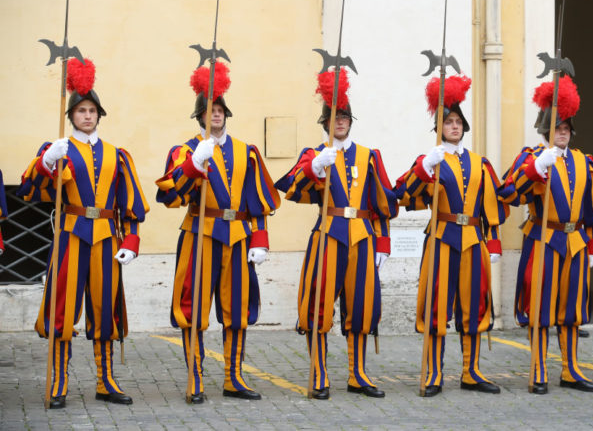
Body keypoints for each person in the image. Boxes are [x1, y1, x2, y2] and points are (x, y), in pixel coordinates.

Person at [19, 58, 149, 408]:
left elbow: (132, 203)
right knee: (63, 307)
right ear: (72, 115)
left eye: (92, 110)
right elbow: (32, 190)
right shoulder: (57, 150)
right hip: (71, 234)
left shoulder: (117, 155)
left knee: (105, 308)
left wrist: (132, 242)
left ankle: (105, 380)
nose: (87, 116)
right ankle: (59, 382)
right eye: (81, 111)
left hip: (107, 238)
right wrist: (48, 161)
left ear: (98, 115)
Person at [156, 61, 281, 403]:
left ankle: (233, 377)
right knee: (193, 308)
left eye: (220, 108)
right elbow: (170, 195)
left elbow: (259, 200)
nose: (216, 114)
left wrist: (260, 240)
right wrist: (193, 164)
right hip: (199, 232)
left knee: (237, 309)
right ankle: (195, 378)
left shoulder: (246, 151)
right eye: (209, 109)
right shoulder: (184, 150)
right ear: (200, 115)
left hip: (238, 236)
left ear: (226, 113)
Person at [275, 67, 397, 399]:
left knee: (360, 307)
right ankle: (319, 374)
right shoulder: (314, 155)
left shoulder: (369, 156)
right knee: (318, 305)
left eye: (344, 116)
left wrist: (382, 241)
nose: (339, 121)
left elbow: (382, 202)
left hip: (362, 235)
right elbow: (292, 189)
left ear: (350, 121)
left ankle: (357, 374)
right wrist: (315, 168)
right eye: (334, 116)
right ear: (325, 122)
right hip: (328, 233)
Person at [395, 74, 509, 397]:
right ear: (439, 128)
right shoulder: (429, 161)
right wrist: (423, 168)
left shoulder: (479, 164)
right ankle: (433, 373)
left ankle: (470, 371)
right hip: (442, 238)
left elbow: (492, 206)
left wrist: (495, 242)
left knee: (473, 306)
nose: (454, 126)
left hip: (473, 240)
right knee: (437, 306)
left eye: (458, 121)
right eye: (448, 122)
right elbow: (403, 195)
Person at [498, 75, 593, 394]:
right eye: (558, 127)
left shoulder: (583, 161)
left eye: (567, 127)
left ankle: (571, 369)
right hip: (543, 238)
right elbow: (508, 193)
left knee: (572, 309)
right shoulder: (531, 158)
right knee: (541, 305)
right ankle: (539, 368)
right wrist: (535, 169)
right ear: (546, 129)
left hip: (575, 242)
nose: (563, 132)